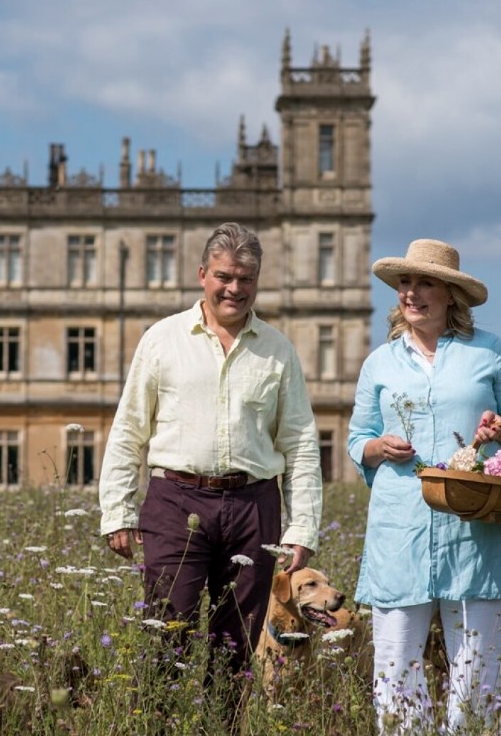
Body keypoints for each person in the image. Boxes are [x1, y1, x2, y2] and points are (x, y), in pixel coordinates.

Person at [99, 221, 323, 721]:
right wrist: (116, 510)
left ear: (257, 281)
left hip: (254, 505)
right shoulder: (162, 340)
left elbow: (302, 443)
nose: (234, 289)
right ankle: (159, 727)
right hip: (175, 500)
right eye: (224, 276)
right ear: (203, 275)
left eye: (246, 278)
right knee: (167, 628)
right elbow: (129, 427)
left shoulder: (278, 351)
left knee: (236, 640)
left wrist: (302, 525)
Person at [347, 238, 501, 735]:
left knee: (477, 677)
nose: (411, 293)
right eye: (405, 283)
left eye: (424, 282)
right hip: (399, 531)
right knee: (395, 673)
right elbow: (356, 439)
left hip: (475, 531)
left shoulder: (490, 353)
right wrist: (377, 447)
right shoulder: (379, 363)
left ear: (451, 294)